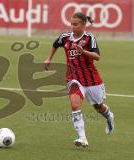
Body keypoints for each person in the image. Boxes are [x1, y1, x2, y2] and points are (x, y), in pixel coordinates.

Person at [44, 12, 114, 148]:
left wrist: (84, 52)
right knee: (75, 105)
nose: (72, 27)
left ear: (83, 25)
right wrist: (48, 58)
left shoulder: (89, 38)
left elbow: (97, 56)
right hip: (73, 78)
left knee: (99, 107)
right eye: (71, 24)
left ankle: (109, 116)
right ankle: (82, 138)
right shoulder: (65, 37)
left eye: (75, 24)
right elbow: (55, 45)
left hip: (92, 80)